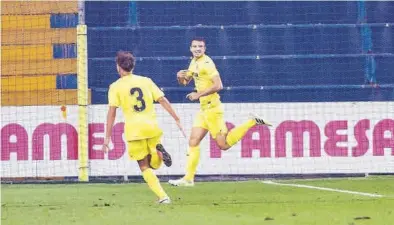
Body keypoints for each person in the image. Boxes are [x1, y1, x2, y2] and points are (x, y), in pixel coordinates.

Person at [169, 38, 271, 187]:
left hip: (212, 109)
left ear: (205, 48)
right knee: (193, 140)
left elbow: (219, 85)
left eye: (200, 46)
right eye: (195, 46)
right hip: (204, 109)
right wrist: (179, 77)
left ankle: (252, 122)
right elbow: (186, 82)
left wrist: (198, 95)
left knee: (223, 145)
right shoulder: (194, 62)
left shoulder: (207, 63)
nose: (198, 49)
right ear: (190, 48)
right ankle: (188, 178)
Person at [102, 50, 186, 203]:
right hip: (152, 127)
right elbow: (162, 100)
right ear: (132, 67)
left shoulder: (115, 87)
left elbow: (112, 113)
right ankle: (157, 152)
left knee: (144, 166)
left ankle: (163, 197)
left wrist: (107, 137)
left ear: (118, 67)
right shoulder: (146, 81)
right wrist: (177, 118)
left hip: (134, 131)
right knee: (154, 164)